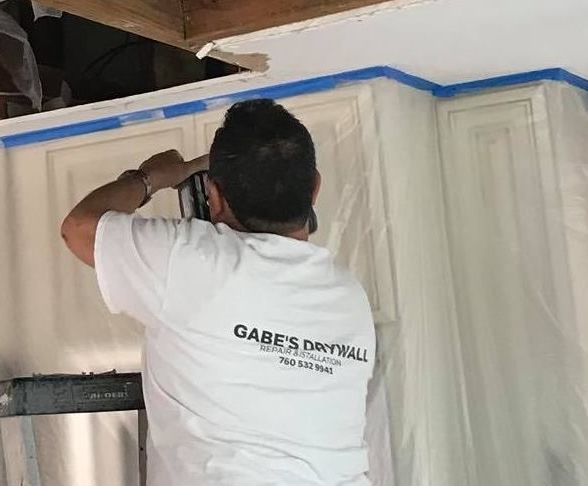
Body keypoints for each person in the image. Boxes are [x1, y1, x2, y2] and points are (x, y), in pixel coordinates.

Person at [60, 98, 374, 486]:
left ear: (215, 197)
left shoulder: (194, 261)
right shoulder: (348, 296)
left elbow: (79, 227)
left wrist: (151, 177)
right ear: (314, 188)